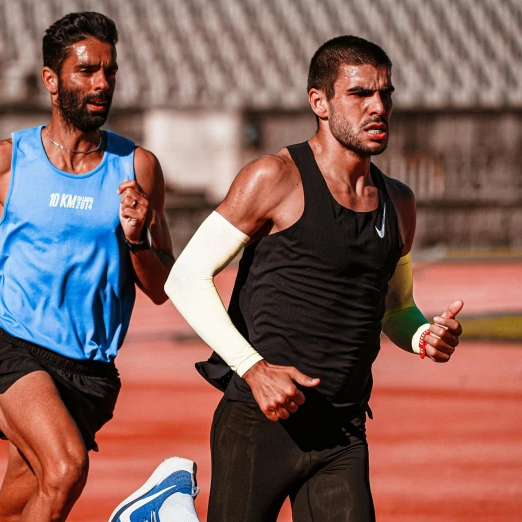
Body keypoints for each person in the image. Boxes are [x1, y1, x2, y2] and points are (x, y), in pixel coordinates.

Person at [164, 36, 464, 521]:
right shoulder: (274, 178)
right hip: (260, 423)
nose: (378, 107)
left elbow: (395, 309)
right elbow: (186, 277)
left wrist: (425, 335)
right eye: (360, 94)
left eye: (385, 94)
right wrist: (254, 370)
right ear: (319, 102)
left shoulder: (400, 203)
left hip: (342, 433)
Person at [0, 12, 182, 522]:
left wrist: (138, 238)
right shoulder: (6, 160)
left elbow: (161, 288)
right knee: (64, 468)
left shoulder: (138, 167)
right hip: (14, 344)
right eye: (87, 71)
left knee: (19, 501)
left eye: (110, 71)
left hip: (91, 370)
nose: (102, 83)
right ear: (51, 79)